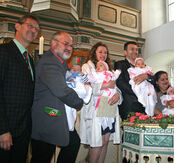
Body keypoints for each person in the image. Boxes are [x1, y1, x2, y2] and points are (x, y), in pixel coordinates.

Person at [30, 31, 84, 163]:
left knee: (72, 143)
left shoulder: (61, 63)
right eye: (66, 44)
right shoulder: (50, 62)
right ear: (54, 43)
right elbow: (61, 91)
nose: (69, 48)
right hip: (46, 119)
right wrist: (79, 102)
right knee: (42, 156)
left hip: (54, 116)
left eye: (71, 45)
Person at [0, 14, 40, 163]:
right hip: (6, 128)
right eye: (30, 26)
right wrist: (2, 129)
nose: (34, 30)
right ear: (17, 26)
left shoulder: (29, 59)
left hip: (23, 129)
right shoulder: (4, 51)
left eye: (37, 29)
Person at [79, 42, 121, 163]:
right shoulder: (87, 67)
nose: (103, 54)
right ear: (94, 53)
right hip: (95, 109)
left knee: (105, 141)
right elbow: (86, 87)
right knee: (97, 142)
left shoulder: (109, 69)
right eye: (100, 52)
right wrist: (105, 85)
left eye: (105, 52)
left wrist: (118, 95)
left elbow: (115, 88)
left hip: (110, 108)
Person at [114, 41, 154, 120]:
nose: (135, 51)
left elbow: (154, 80)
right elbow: (120, 82)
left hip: (145, 104)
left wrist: (147, 76)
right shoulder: (120, 64)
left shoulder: (143, 65)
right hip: (130, 104)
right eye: (132, 49)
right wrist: (138, 93)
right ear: (125, 52)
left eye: (136, 50)